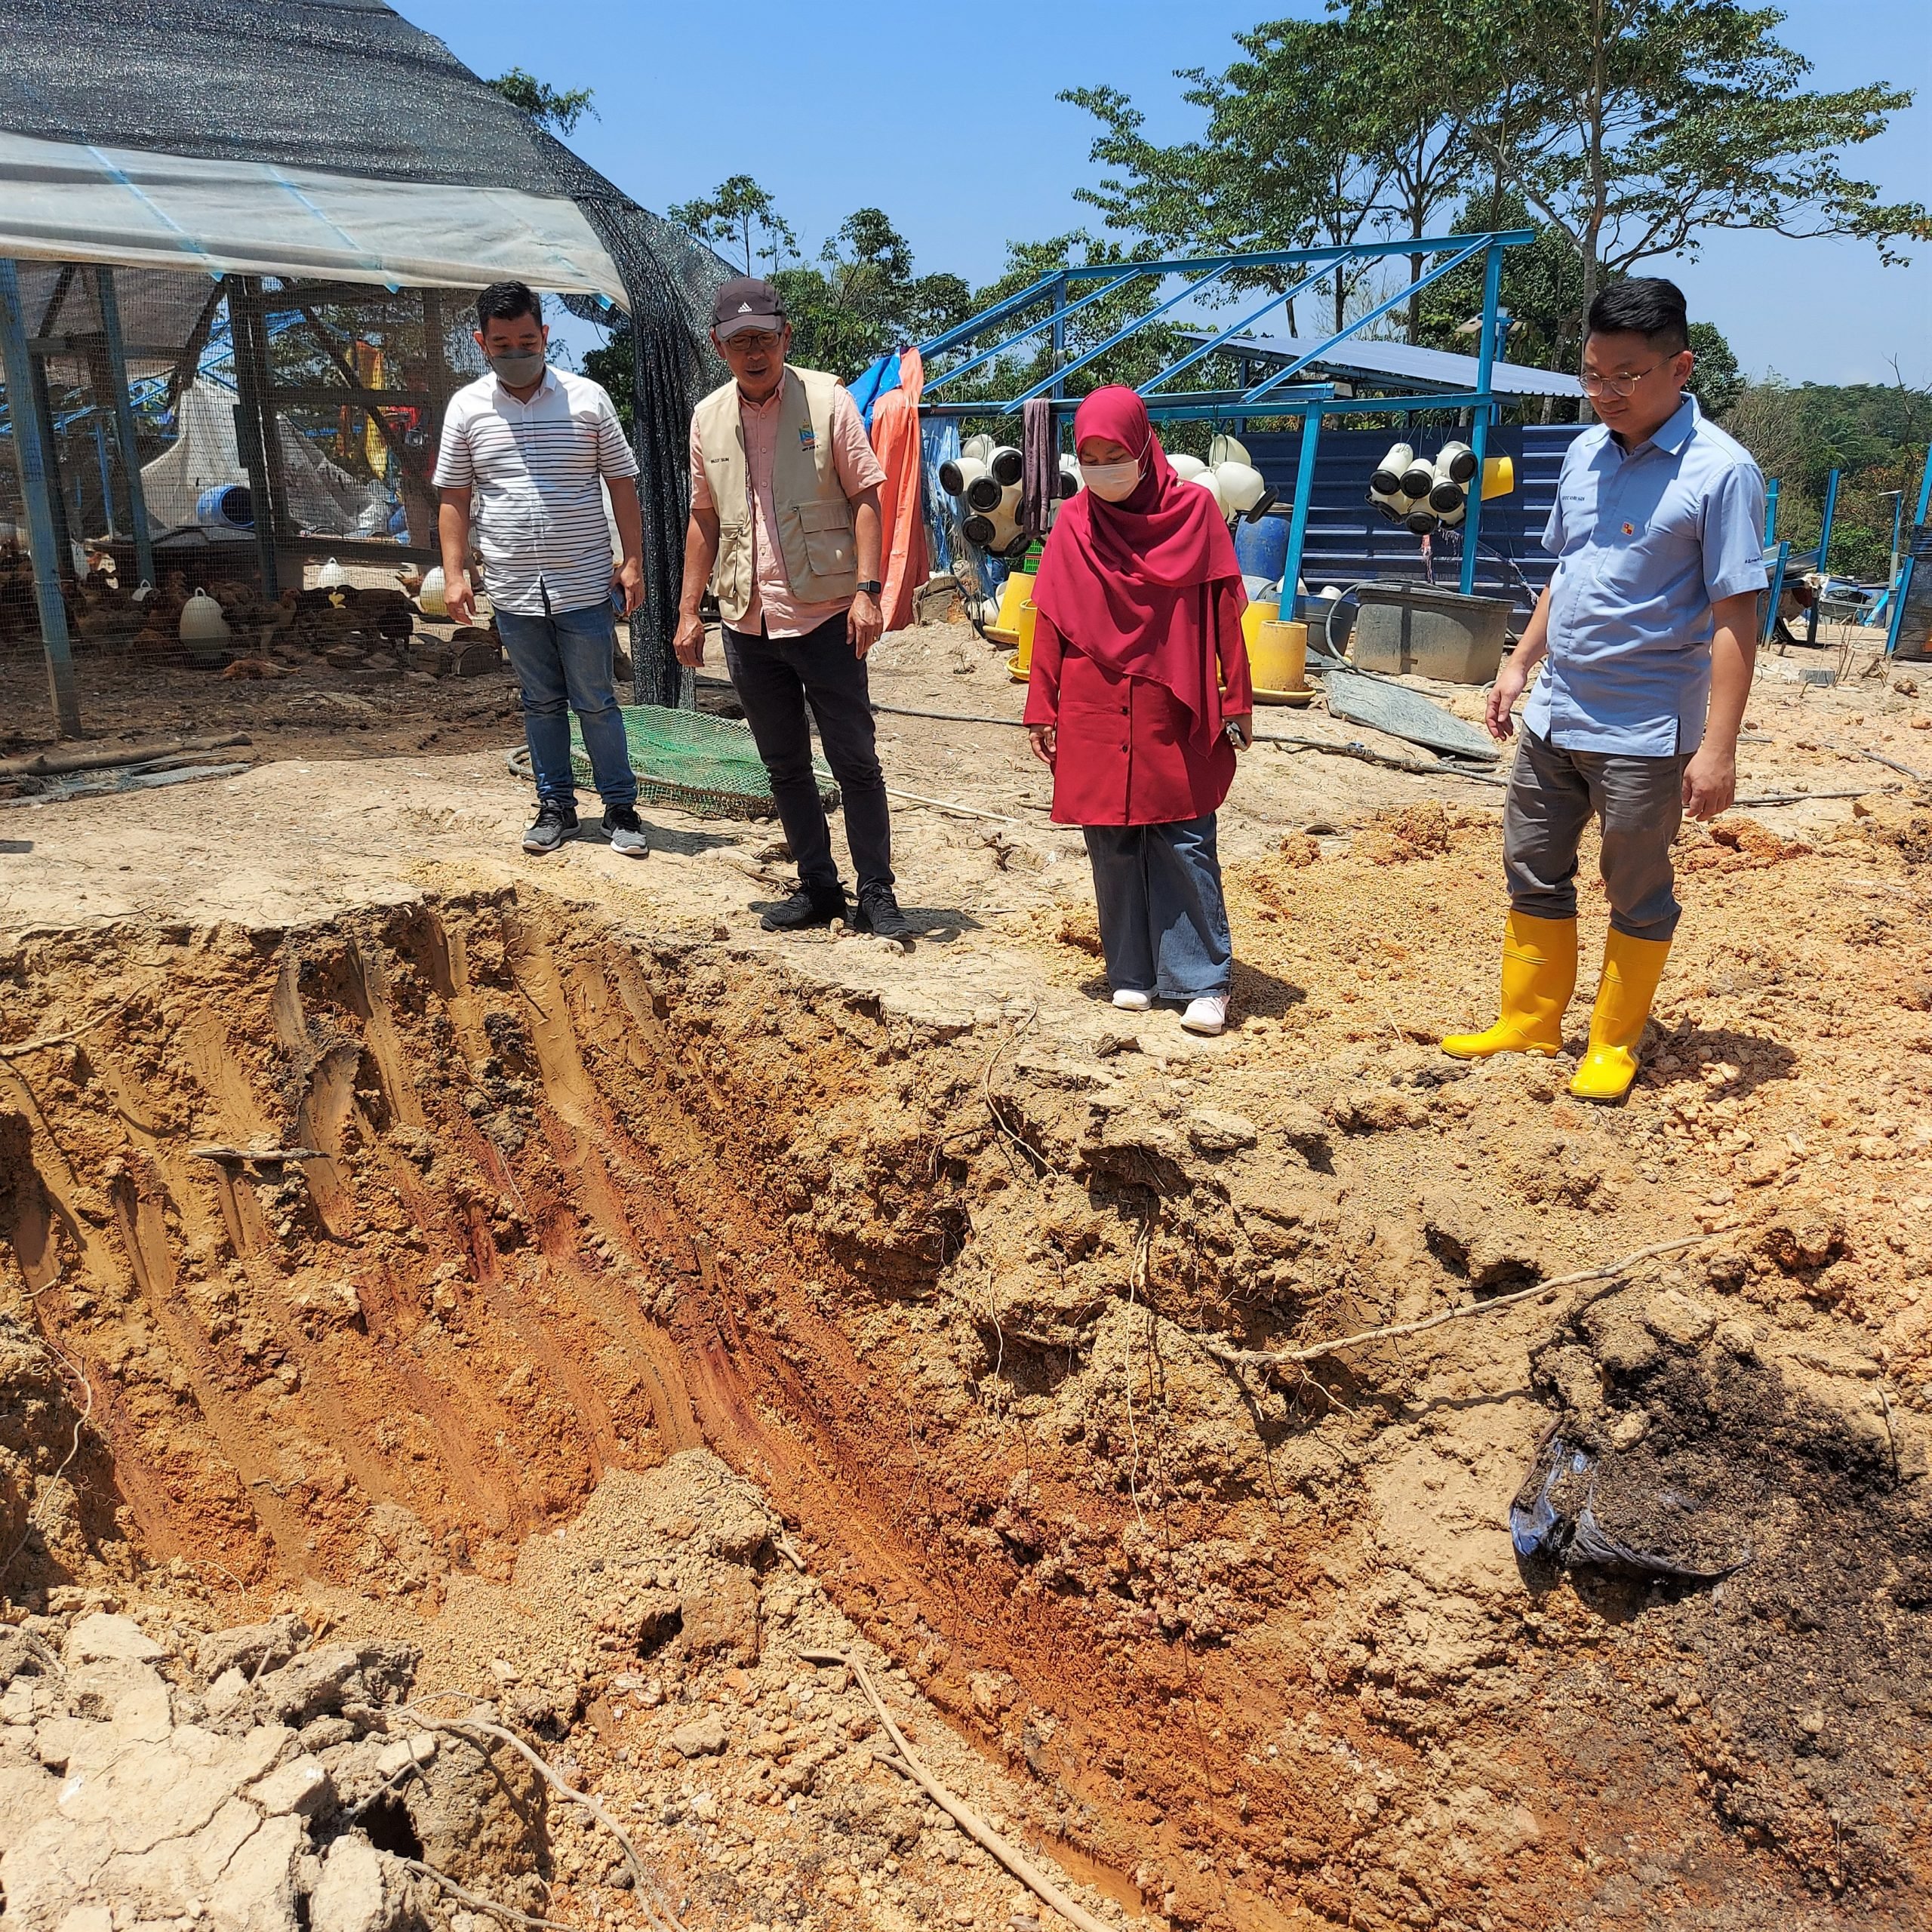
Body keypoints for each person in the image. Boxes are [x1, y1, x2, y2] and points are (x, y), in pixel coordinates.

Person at [1441, 278, 1769, 1101]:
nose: (1605, 393)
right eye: (1592, 374)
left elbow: (1736, 615)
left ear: (1679, 366)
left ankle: (1612, 1043)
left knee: (1635, 884)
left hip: (1645, 727)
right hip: (1557, 711)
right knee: (1533, 863)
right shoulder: (1584, 451)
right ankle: (1530, 1017)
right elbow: (1568, 569)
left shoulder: (1722, 473)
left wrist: (1719, 747)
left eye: (1626, 375)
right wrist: (1520, 662)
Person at [675, 276, 912, 940]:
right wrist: (690, 610)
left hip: (827, 612)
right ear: (719, 347)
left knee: (854, 760)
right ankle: (818, 888)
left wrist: (869, 593)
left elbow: (868, 495)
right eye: (739, 341)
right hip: (747, 618)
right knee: (783, 763)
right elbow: (702, 518)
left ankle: (877, 893)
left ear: (786, 338)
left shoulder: (828, 400)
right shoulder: (708, 417)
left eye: (765, 338)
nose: (754, 352)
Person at [1025, 386, 1254, 1036]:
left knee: (1183, 834)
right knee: (1112, 835)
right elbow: (1052, 620)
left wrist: (1236, 696)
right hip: (1093, 699)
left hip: (1172, 696)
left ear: (1142, 447)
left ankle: (1202, 980)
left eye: (1114, 453)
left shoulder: (1196, 513)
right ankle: (1132, 972)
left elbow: (1223, 614)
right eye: (1088, 456)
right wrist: (1042, 704)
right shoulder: (1073, 520)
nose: (1102, 468)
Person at [435, 280, 649, 858]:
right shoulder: (468, 408)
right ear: (482, 343)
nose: (515, 351)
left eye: (526, 339)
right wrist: (455, 574)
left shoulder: (587, 399)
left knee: (597, 700)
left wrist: (633, 561)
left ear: (545, 335)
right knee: (540, 702)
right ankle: (555, 806)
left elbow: (622, 485)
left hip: (584, 582)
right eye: (502, 342)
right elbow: (454, 496)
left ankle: (620, 808)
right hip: (513, 588)